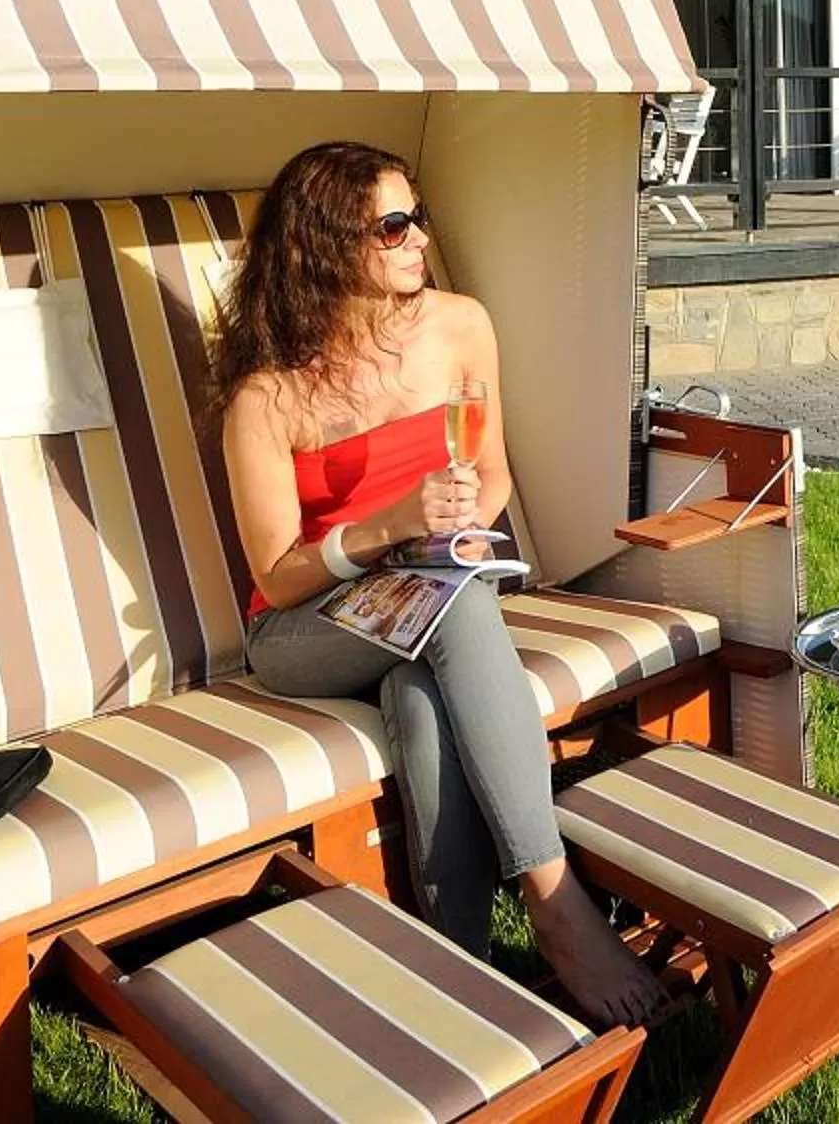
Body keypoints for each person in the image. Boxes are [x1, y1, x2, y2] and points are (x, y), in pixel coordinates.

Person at [209, 139, 668, 1028]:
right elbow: (275, 572)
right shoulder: (267, 400)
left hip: (423, 590)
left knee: (419, 694)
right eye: (393, 225)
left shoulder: (461, 326)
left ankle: (461, 967)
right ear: (329, 246)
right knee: (453, 612)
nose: (420, 235)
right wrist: (393, 529)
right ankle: (553, 896)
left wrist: (457, 523)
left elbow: (491, 475)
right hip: (306, 630)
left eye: (416, 214)